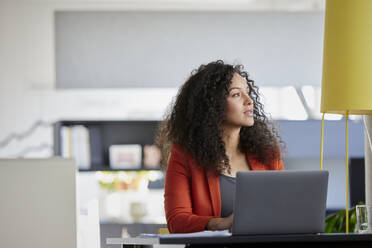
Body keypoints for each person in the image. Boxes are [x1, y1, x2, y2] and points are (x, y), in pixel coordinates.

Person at [156, 60, 284, 233]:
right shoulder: (184, 155)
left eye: (248, 92)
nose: (249, 101)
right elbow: (176, 221)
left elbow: (284, 212)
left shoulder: (268, 155)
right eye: (236, 95)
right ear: (212, 105)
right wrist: (221, 223)